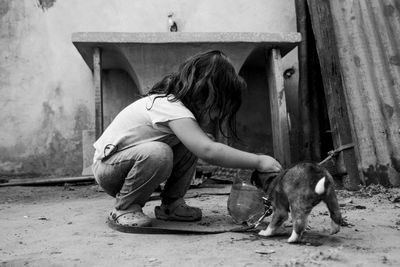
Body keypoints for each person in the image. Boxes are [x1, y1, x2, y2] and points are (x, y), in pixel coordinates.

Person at [92, 50, 282, 227]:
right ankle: (125, 207)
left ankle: (171, 204)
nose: (217, 116)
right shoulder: (169, 106)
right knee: (161, 152)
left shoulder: (178, 110)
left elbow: (201, 144)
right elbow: (208, 150)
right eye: (219, 106)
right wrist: (258, 161)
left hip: (126, 164)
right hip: (109, 168)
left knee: (194, 140)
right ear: (205, 93)